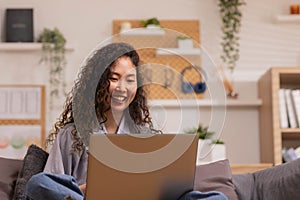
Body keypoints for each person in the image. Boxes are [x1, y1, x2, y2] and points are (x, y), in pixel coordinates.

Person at [24, 42, 227, 200]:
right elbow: (50, 186)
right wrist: (87, 190)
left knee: (216, 197)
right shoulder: (71, 135)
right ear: (99, 83)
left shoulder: (147, 136)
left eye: (130, 80)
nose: (123, 87)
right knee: (37, 182)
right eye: (114, 78)